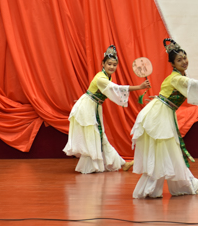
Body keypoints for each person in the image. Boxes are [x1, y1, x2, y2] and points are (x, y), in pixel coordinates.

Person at [131, 38, 198, 198]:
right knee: (167, 151)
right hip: (159, 115)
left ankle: (170, 188)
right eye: (179, 60)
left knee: (166, 152)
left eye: (185, 58)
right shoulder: (177, 78)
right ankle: (181, 186)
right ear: (173, 64)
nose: (184, 61)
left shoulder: (178, 76)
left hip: (162, 113)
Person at [63, 45, 150, 174]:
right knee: (94, 136)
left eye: (114, 65)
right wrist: (139, 87)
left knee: (99, 136)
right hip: (88, 107)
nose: (112, 67)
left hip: (93, 106)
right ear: (103, 64)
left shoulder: (107, 77)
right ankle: (101, 165)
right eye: (109, 64)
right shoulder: (101, 78)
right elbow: (117, 89)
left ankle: (118, 163)